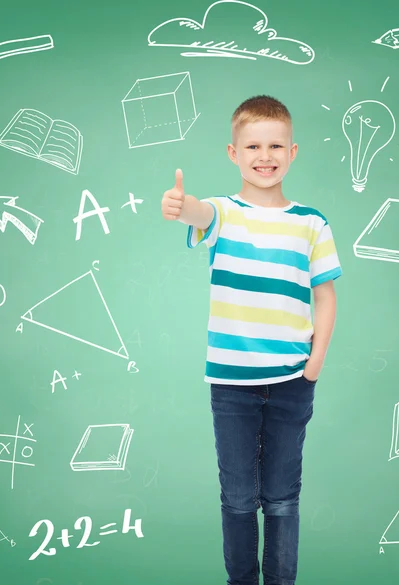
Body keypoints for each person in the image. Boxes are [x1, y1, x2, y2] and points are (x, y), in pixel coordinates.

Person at [161, 95, 342, 585]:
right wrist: (181, 207)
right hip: (232, 384)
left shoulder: (311, 223)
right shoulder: (223, 213)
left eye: (276, 145)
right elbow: (198, 213)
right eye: (254, 145)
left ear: (293, 151)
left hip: (292, 379)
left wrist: (316, 361)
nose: (266, 155)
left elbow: (324, 297)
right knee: (238, 498)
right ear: (233, 153)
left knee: (282, 497)